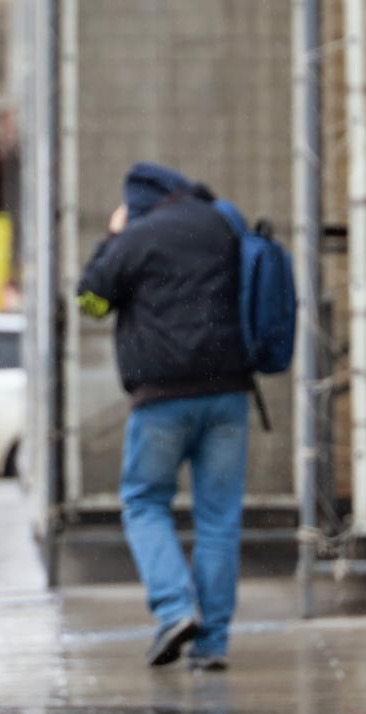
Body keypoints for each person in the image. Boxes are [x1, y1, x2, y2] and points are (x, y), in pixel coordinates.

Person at [77, 162, 254, 672]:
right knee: (219, 518)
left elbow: (90, 301)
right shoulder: (221, 222)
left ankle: (176, 608)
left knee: (144, 501)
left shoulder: (137, 237)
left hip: (162, 397)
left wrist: (111, 240)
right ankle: (213, 643)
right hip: (229, 393)